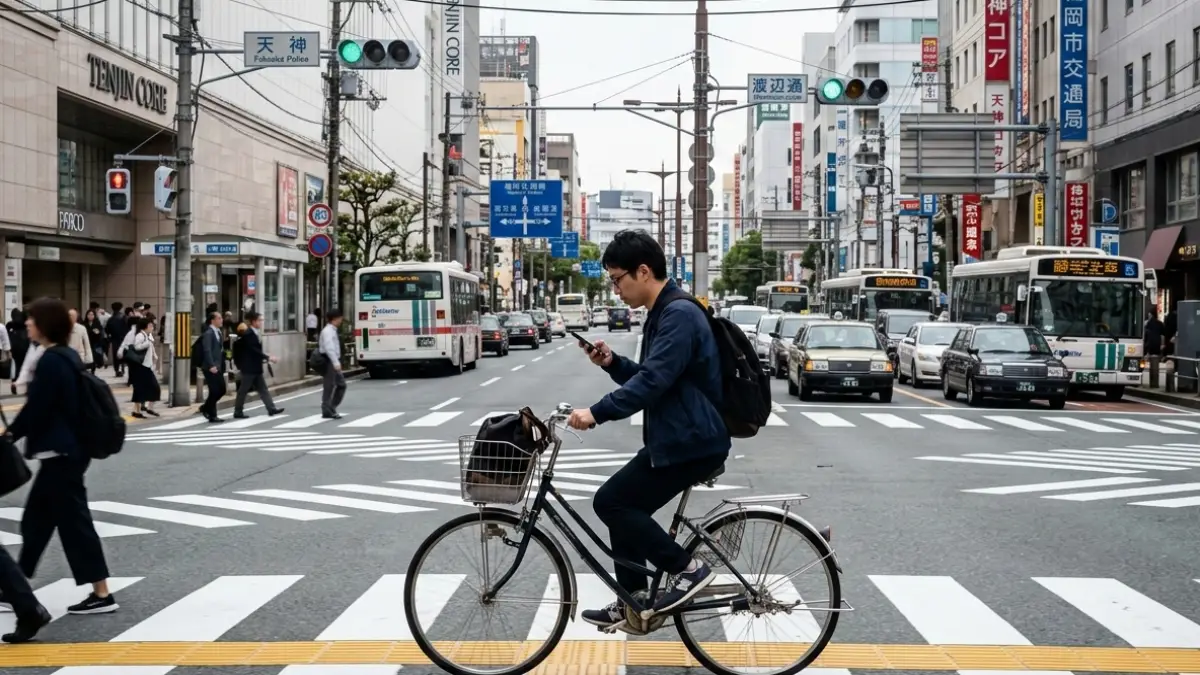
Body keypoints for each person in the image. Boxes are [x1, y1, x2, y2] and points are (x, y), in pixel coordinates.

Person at [566, 229, 730, 626]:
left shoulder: (678, 314)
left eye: (617, 279)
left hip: (691, 441)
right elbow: (654, 377)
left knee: (612, 502)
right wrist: (612, 364)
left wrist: (597, 412)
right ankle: (634, 601)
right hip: (678, 437)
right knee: (622, 506)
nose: (615, 289)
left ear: (643, 271)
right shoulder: (664, 313)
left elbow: (653, 383)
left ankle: (689, 569)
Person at [2, 297, 119, 616]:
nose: (27, 323)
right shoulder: (62, 355)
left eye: (32, 319)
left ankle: (101, 592)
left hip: (63, 453)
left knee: (73, 524)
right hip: (67, 451)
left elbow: (39, 407)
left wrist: (10, 433)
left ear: (44, 324)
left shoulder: (53, 360)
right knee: (37, 521)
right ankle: (14, 585)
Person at [233, 311, 283, 418]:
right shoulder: (249, 334)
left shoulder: (255, 333)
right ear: (254, 321)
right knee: (243, 390)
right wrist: (268, 357)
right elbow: (254, 350)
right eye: (260, 320)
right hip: (249, 368)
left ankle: (271, 408)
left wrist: (265, 356)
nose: (261, 322)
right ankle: (238, 411)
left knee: (263, 389)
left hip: (255, 367)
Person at [127, 317, 161, 418]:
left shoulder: (148, 335)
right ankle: (137, 411)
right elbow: (137, 347)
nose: (152, 327)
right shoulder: (140, 335)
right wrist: (147, 343)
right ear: (145, 326)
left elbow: (151, 347)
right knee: (142, 388)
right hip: (140, 366)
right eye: (150, 325)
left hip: (147, 365)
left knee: (150, 388)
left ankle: (147, 408)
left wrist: (154, 355)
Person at [318, 309, 346, 419]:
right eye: (340, 318)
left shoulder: (332, 330)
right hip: (329, 360)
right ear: (334, 319)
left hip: (333, 360)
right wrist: (335, 362)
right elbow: (329, 348)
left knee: (341, 385)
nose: (341, 320)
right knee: (329, 385)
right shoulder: (328, 331)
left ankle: (331, 407)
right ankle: (327, 409)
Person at [199, 312, 227, 423]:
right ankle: (211, 414)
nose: (221, 320)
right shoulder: (209, 333)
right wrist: (211, 365)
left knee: (221, 390)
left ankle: (206, 408)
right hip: (210, 367)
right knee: (215, 390)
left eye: (221, 318)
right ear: (212, 320)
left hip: (218, 366)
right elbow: (207, 350)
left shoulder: (218, 332)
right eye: (219, 318)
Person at [83, 308, 106, 372]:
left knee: (94, 358)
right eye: (89, 314)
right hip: (86, 343)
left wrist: (97, 333)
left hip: (95, 344)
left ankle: (93, 371)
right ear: (86, 315)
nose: (90, 316)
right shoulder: (84, 324)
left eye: (92, 314)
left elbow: (100, 333)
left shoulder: (97, 323)